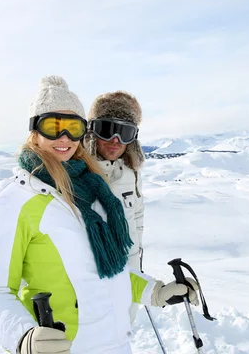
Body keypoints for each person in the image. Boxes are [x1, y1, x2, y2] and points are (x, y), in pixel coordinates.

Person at [0, 76, 198, 354]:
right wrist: (23, 336)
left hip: (115, 344)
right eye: (53, 126)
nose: (64, 138)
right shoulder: (18, 200)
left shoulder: (94, 191)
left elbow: (106, 271)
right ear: (34, 130)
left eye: (73, 127)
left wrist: (155, 292)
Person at [83, 91, 145, 323]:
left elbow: (137, 214)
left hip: (129, 268)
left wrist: (137, 255)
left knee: (123, 328)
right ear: (92, 132)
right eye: (107, 129)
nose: (116, 139)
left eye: (126, 132)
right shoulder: (76, 173)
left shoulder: (132, 173)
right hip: (91, 275)